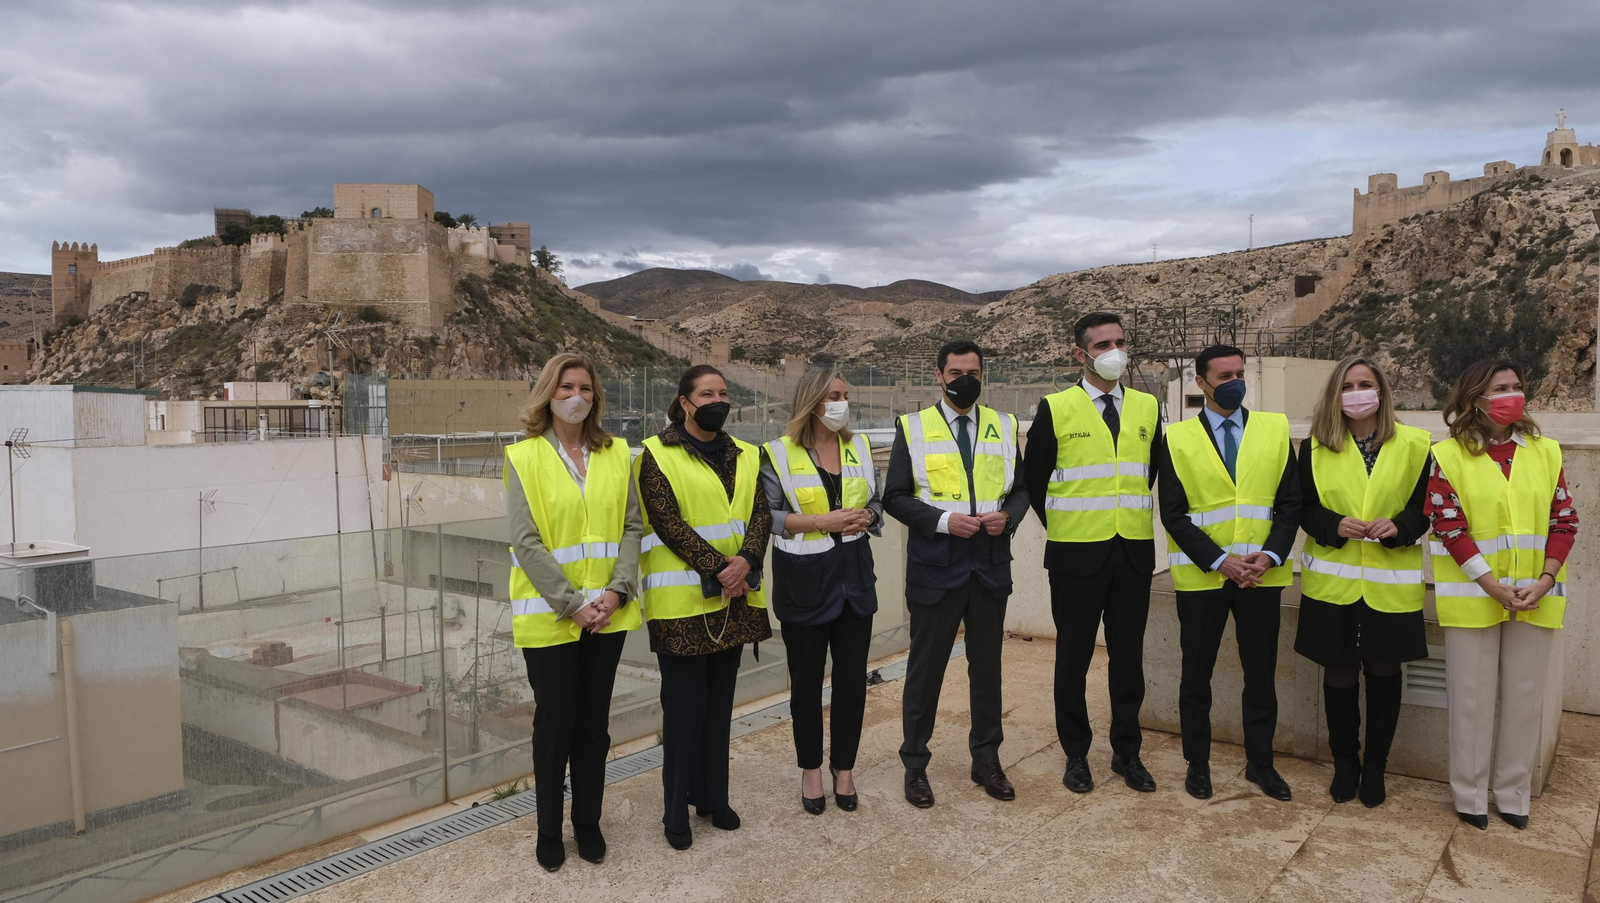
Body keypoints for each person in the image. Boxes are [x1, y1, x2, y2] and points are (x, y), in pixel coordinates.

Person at [506, 352, 643, 872]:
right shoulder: (524, 458)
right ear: (548, 393)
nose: (576, 397)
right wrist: (573, 604)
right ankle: (548, 829)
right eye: (566, 387)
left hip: (608, 614)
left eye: (585, 388)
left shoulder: (618, 454)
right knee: (555, 724)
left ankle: (588, 821)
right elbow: (526, 541)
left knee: (594, 724)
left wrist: (617, 591)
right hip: (551, 617)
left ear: (596, 397)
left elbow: (632, 528)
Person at [1426, 359, 1577, 831]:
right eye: (1501, 388)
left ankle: (1512, 793)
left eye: (1517, 386)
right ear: (1474, 398)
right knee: (1470, 699)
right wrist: (1491, 585)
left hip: (1536, 595)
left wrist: (1544, 581)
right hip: (1476, 596)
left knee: (1523, 696)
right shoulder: (1449, 456)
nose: (1513, 395)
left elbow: (1564, 521)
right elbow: (1449, 526)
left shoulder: (1546, 452)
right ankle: (1469, 795)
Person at [884, 339, 1030, 809]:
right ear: (939, 375)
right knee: (924, 672)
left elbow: (1021, 491)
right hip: (936, 570)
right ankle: (915, 765)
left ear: (983, 374)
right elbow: (896, 497)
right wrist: (945, 521)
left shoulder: (1004, 425)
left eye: (973, 371)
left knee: (987, 671)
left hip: (989, 568)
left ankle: (986, 759)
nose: (964, 379)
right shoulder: (913, 427)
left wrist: (1007, 517)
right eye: (955, 372)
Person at [1023, 311, 1161, 795]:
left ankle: (1128, 753)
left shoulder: (1147, 407)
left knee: (1128, 660)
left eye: (1120, 342)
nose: (1114, 352)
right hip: (1075, 558)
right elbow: (1034, 480)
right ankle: (1076, 754)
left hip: (1132, 555)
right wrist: (1065, 525)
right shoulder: (1056, 407)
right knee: (1073, 659)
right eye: (1103, 345)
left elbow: (1149, 473)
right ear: (1080, 354)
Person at [634, 364, 772, 850]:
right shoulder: (655, 453)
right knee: (684, 710)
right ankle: (676, 810)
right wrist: (722, 567)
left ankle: (714, 797)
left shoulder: (748, 454)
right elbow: (667, 522)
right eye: (707, 393)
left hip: (735, 599)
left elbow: (761, 513)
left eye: (724, 393)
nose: (718, 400)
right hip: (682, 605)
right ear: (684, 402)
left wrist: (748, 561)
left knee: (719, 709)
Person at [1158, 344, 1301, 802]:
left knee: (1260, 676)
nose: (1236, 382)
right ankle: (1197, 765)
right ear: (1201, 384)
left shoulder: (1274, 429)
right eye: (1224, 376)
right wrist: (1221, 560)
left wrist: (1271, 555)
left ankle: (1261, 764)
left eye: (1240, 373)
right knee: (1196, 677)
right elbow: (1174, 515)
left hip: (1261, 576)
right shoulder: (1176, 438)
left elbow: (1289, 503)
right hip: (1204, 579)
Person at [1296, 357, 1430, 808]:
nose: (1357, 392)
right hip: (1333, 587)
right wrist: (1334, 524)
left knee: (1385, 671)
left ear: (1382, 391)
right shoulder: (1314, 446)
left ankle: (1376, 767)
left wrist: (1400, 527)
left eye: (1365, 384)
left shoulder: (1416, 444)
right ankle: (1345, 764)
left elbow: (1424, 508)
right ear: (1336, 394)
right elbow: (1304, 508)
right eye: (1348, 385)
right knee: (1338, 672)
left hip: (1390, 584)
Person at [761, 367, 882, 815]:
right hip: (804, 584)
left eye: (845, 395)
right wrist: (819, 521)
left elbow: (876, 501)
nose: (842, 403)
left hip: (855, 582)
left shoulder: (861, 446)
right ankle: (811, 770)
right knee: (807, 686)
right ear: (812, 401)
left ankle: (844, 769)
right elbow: (767, 516)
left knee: (852, 683)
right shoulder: (776, 454)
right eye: (834, 395)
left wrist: (868, 516)